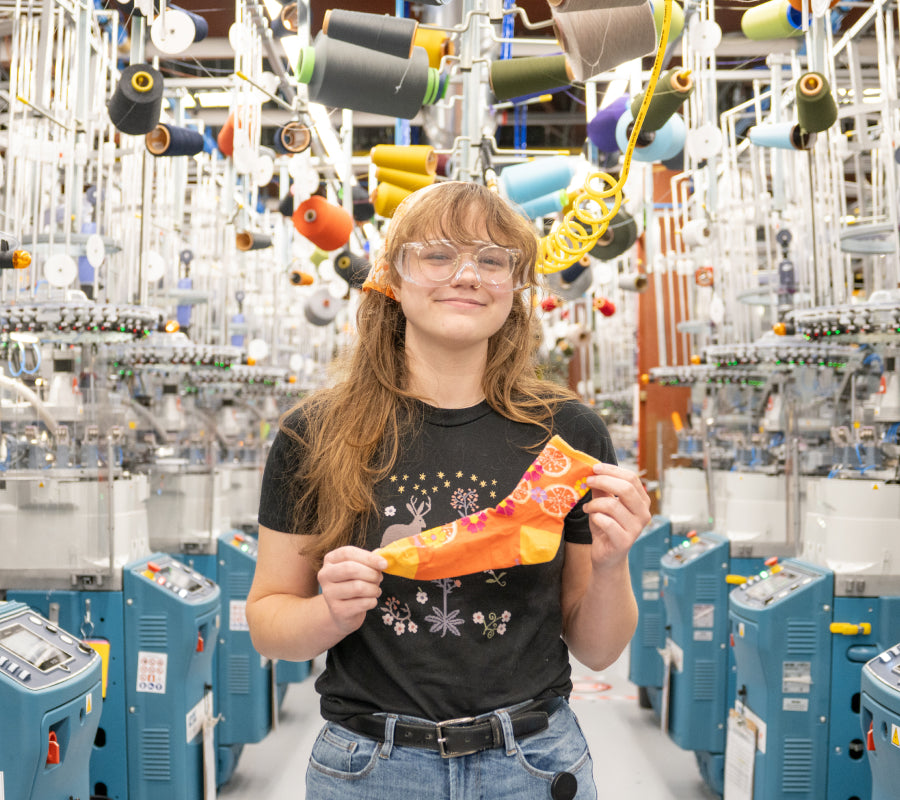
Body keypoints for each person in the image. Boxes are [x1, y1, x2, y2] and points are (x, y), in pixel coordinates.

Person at [246, 180, 651, 800]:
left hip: (532, 764)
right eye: (437, 254)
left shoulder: (567, 433)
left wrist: (612, 560)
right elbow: (269, 622)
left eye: (492, 260)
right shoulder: (316, 433)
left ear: (515, 288)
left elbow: (598, 650)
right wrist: (327, 614)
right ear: (392, 276)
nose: (467, 274)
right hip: (369, 769)